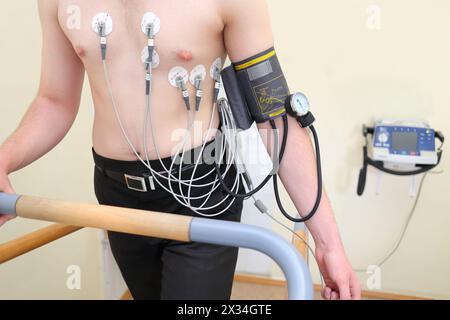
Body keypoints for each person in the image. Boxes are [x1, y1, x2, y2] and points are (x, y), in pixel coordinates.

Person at [0, 0, 361, 300]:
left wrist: (329, 243)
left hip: (201, 190)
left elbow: (274, 117)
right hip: (116, 192)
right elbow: (54, 102)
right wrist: (3, 160)